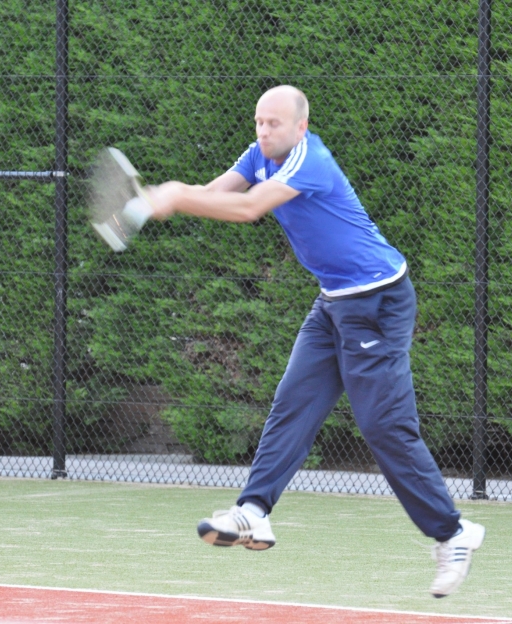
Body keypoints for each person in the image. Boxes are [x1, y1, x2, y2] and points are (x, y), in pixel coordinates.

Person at [128, 85, 485, 598]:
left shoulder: (309, 159)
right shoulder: (258, 155)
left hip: (378, 302)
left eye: (274, 123)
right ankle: (253, 511)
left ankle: (453, 534)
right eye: (258, 122)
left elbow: (248, 208)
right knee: (293, 402)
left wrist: (176, 194)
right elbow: (217, 193)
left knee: (383, 426)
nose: (263, 131)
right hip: (333, 302)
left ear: (301, 126)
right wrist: (169, 199)